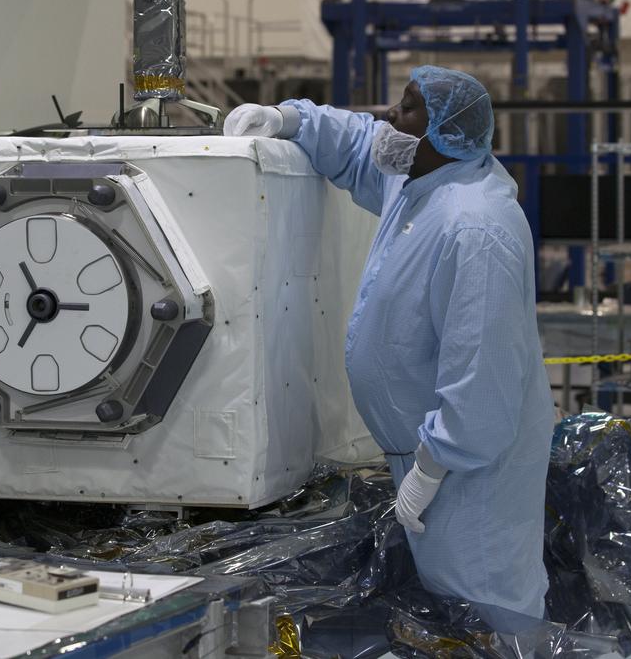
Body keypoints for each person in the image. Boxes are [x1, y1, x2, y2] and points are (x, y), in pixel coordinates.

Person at [224, 66, 555, 633]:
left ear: (442, 133)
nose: (389, 119)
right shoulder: (419, 183)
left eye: (406, 111)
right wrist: (289, 118)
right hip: (430, 458)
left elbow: (483, 381)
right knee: (445, 615)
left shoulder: (475, 228)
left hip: (472, 470)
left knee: (485, 608)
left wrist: (433, 465)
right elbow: (355, 145)